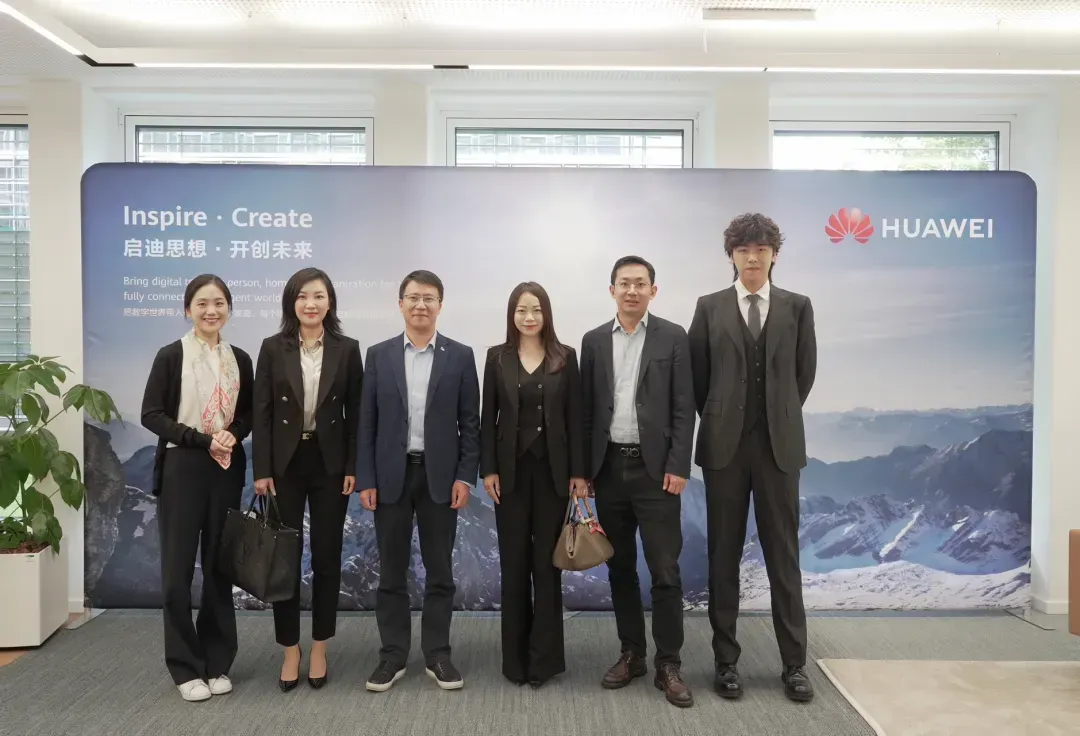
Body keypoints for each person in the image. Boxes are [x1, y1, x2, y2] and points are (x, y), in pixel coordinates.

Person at [687, 213, 817, 703]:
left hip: (779, 449)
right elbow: (699, 379)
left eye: (761, 248)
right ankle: (726, 662)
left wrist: (777, 415)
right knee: (722, 556)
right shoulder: (709, 307)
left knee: (784, 557)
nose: (753, 257)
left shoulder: (797, 307)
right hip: (724, 450)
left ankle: (794, 665)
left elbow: (803, 374)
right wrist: (724, 417)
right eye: (743, 249)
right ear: (732, 256)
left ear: (774, 254)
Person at [580, 255, 696, 708]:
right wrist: (583, 471)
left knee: (665, 570)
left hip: (656, 472)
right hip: (608, 469)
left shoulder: (673, 336)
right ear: (612, 290)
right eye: (624, 283)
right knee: (620, 568)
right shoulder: (593, 341)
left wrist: (679, 465)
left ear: (653, 290)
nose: (632, 290)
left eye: (640, 283)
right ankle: (632, 654)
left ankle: (669, 663)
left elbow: (684, 406)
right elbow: (586, 411)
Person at [357, 269, 480, 692]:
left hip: (440, 478)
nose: (421, 305)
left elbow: (470, 423)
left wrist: (465, 476)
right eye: (413, 297)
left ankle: (437, 655)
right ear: (401, 304)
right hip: (391, 476)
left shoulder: (460, 356)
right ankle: (392, 656)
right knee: (391, 572)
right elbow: (366, 423)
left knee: (440, 571)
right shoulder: (379, 355)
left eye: (429, 298)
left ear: (440, 305)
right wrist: (367, 478)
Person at [140, 274, 253, 703]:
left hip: (226, 467)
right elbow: (152, 414)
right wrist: (201, 439)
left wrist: (233, 434)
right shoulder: (172, 355)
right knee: (178, 571)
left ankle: (217, 661)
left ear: (229, 309)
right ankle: (185, 667)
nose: (211, 310)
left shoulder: (240, 358)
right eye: (202, 303)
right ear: (188, 309)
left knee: (220, 568)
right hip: (183, 466)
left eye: (219, 303)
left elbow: (249, 414)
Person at [252, 267, 364, 692]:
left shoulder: (348, 349)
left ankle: (319, 646)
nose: (310, 303)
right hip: (285, 464)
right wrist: (262, 470)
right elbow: (262, 413)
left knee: (326, 556)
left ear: (329, 301)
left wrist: (352, 466)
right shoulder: (272, 348)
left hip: (329, 463)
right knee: (284, 559)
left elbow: (356, 414)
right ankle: (289, 649)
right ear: (291, 303)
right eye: (302, 296)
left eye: (318, 296)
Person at [480, 282, 588, 688]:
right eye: (522, 309)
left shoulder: (566, 357)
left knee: (546, 565)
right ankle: (515, 662)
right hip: (508, 476)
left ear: (547, 314)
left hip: (553, 475)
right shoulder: (496, 358)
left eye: (537, 309)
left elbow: (577, 418)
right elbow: (487, 418)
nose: (529, 317)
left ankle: (543, 661)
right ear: (512, 314)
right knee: (513, 565)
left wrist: (579, 473)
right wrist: (488, 470)